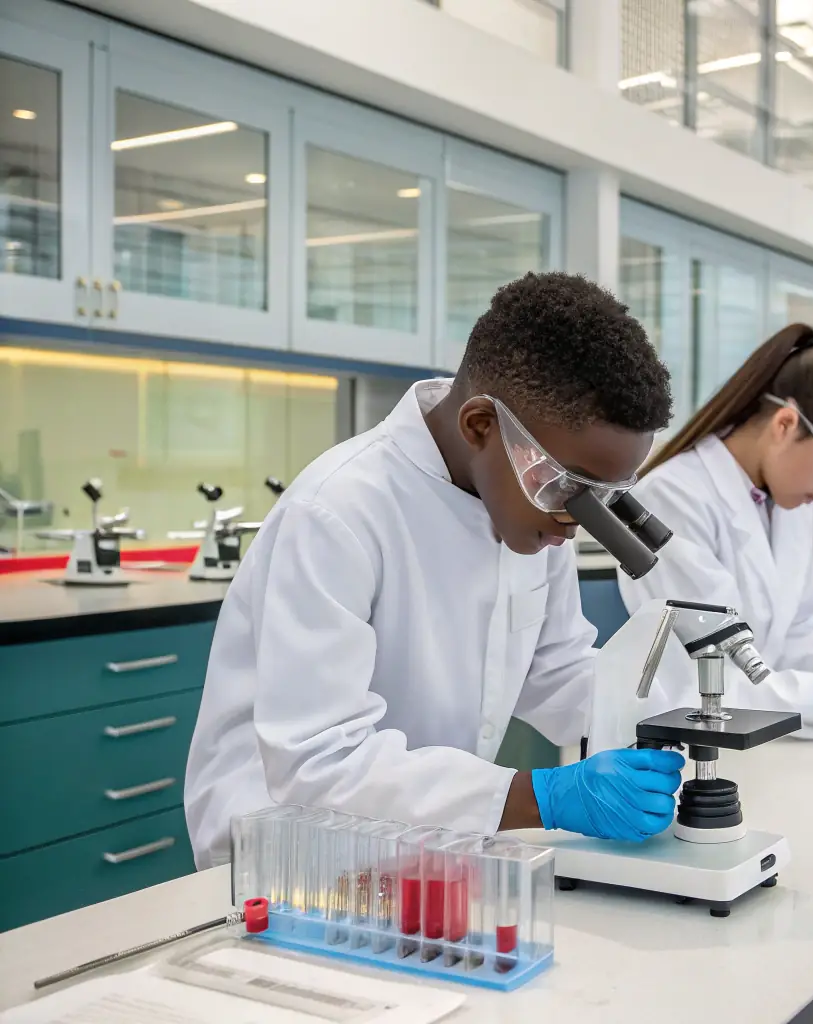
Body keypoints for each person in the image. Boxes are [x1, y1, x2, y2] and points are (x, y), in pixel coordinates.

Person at [185, 273, 687, 868]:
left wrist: (669, 722)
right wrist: (543, 797)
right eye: (569, 488)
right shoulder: (339, 510)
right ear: (480, 426)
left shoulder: (530, 509)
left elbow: (555, 670)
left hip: (428, 847)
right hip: (287, 862)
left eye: (603, 495)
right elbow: (317, 762)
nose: (576, 519)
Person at [617, 325, 813, 737]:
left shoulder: (787, 504)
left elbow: (791, 637)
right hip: (691, 751)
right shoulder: (673, 497)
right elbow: (702, 681)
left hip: (768, 739)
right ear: (785, 424)